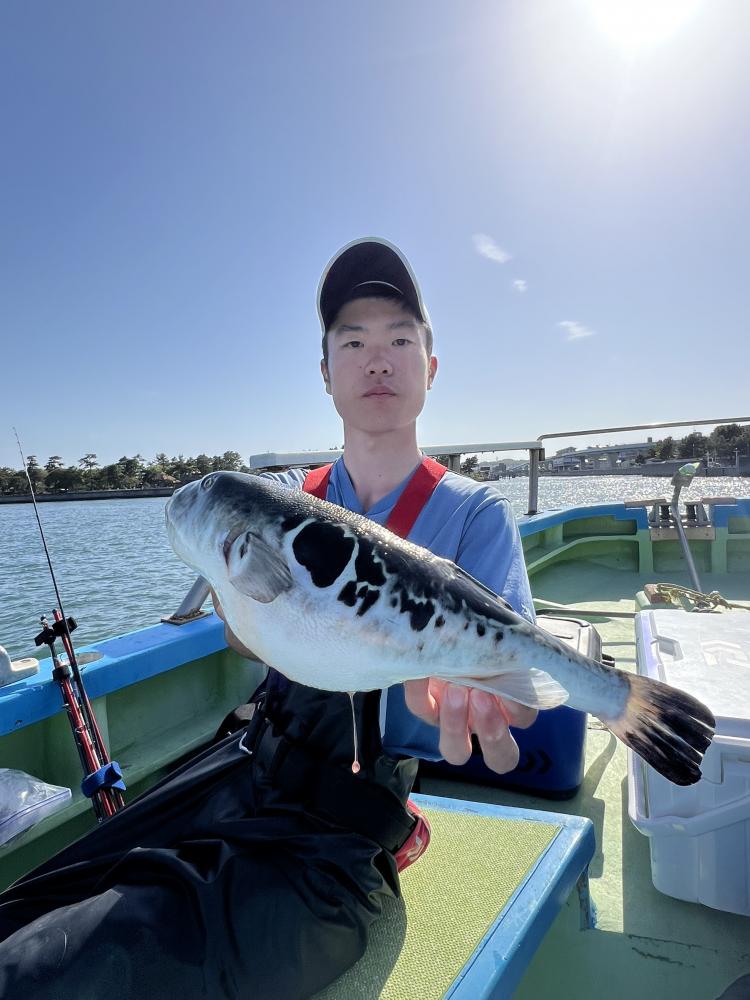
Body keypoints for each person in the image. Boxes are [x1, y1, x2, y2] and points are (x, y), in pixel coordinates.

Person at [0, 237, 536, 1000]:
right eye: (352, 341)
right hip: (243, 769)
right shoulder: (285, 499)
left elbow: (515, 682)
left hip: (339, 843)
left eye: (399, 340)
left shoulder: (475, 518)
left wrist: (485, 696)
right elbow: (233, 613)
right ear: (325, 372)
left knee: (49, 972)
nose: (376, 361)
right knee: (30, 908)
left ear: (431, 365)